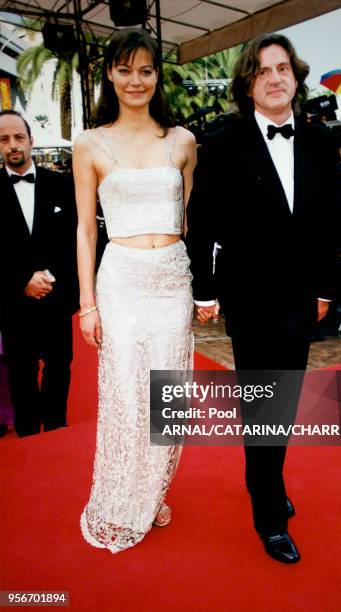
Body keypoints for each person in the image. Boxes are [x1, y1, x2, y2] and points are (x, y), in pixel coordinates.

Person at [186, 33, 341, 564]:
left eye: (282, 68)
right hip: (249, 299)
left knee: (286, 401)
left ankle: (267, 482)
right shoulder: (225, 140)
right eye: (262, 71)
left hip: (302, 298)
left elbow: (330, 224)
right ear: (247, 84)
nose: (274, 79)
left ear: (295, 76)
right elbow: (201, 221)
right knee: (262, 410)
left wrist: (325, 287)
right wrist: (205, 291)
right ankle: (269, 515)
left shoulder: (322, 141)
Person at [73, 27, 196, 553]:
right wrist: (87, 304)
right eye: (125, 69)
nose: (135, 80)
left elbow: (188, 217)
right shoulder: (90, 142)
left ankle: (153, 488)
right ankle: (123, 495)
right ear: (109, 73)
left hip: (172, 278)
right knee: (126, 392)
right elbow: (85, 228)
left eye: (146, 70)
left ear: (157, 75)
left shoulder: (183, 140)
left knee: (168, 395)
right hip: (119, 278)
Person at [0, 110, 78, 437]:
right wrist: (22, 281)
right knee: (21, 374)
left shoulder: (62, 184)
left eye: (19, 137)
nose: (13, 145)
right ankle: (30, 436)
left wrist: (52, 280)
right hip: (14, 305)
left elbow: (78, 239)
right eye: (4, 139)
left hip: (57, 301)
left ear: (31, 140)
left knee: (60, 369)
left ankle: (57, 431)